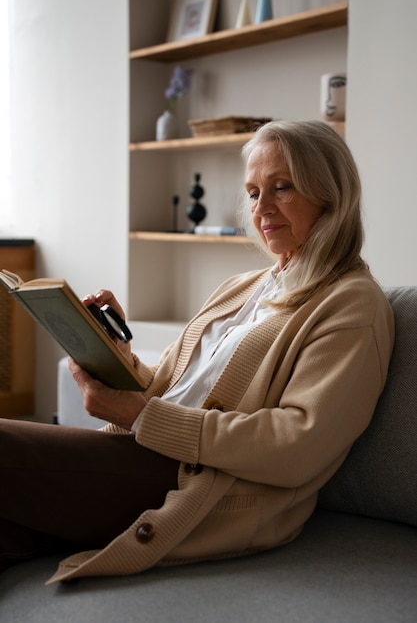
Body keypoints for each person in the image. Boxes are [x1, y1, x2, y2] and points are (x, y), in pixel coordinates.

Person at [0, 120, 394, 584]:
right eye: (252, 192)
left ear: (331, 195)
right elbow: (168, 387)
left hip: (194, 483)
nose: (261, 208)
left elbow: (297, 444)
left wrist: (144, 417)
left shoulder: (352, 304)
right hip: (138, 452)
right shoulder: (242, 287)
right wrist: (117, 355)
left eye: (281, 188)